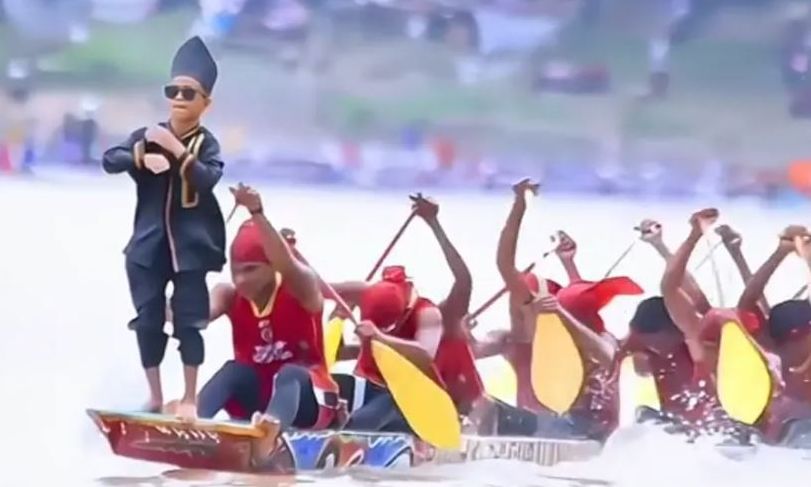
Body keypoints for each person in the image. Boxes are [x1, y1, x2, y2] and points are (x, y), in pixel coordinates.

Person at [101, 36, 226, 418]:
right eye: (173, 91)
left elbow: (207, 179)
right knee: (148, 321)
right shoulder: (147, 135)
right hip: (148, 246)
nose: (179, 99)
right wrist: (140, 158)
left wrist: (173, 148)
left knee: (189, 322)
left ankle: (189, 398)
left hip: (191, 249)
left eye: (189, 93)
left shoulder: (205, 143)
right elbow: (110, 159)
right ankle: (155, 396)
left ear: (206, 103)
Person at [196, 184, 340, 437]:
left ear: (272, 266)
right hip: (258, 400)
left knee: (290, 373)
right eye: (236, 271)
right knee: (234, 371)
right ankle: (190, 421)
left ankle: (269, 431)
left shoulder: (301, 287)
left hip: (309, 403)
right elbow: (195, 317)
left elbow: (288, 265)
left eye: (251, 270)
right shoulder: (227, 295)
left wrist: (257, 213)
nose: (241, 280)